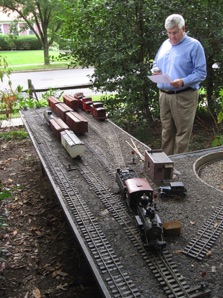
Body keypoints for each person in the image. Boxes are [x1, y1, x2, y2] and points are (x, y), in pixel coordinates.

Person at [152, 14, 206, 155]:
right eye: (169, 33)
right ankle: (165, 167)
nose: (172, 37)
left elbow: (201, 73)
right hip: (164, 95)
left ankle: (179, 167)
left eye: (175, 32)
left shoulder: (194, 46)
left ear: (184, 28)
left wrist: (183, 81)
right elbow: (156, 63)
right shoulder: (165, 44)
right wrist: (155, 70)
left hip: (184, 95)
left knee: (182, 134)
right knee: (166, 131)